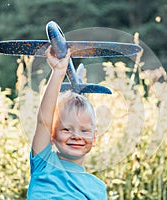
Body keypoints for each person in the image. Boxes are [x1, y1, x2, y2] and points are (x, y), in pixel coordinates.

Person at [27, 46, 107, 199]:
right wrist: (58, 73)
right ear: (52, 134)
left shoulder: (98, 188)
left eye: (84, 130)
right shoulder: (43, 164)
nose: (76, 136)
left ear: (94, 138)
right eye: (66, 129)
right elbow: (43, 121)